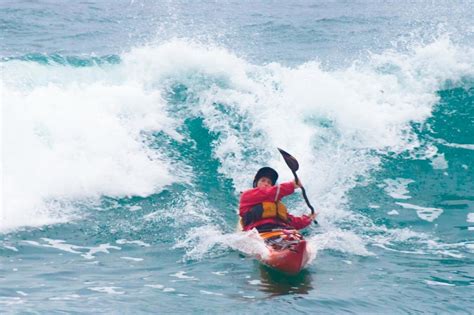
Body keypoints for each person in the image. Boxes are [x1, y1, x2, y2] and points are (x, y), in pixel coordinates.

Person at [239, 167, 317, 232]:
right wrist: (292, 185)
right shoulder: (248, 195)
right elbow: (268, 192)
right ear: (256, 183)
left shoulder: (276, 205)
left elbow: (292, 222)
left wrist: (308, 218)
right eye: (263, 180)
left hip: (282, 231)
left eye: (269, 182)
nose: (266, 183)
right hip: (258, 231)